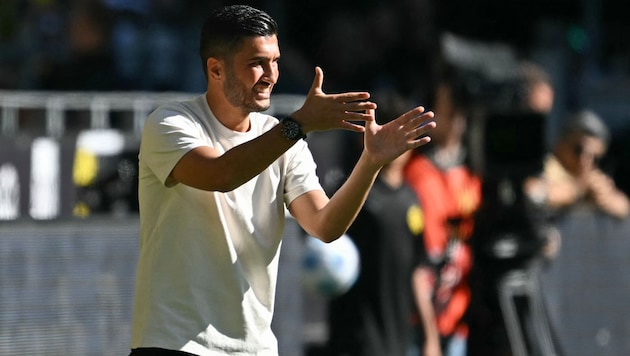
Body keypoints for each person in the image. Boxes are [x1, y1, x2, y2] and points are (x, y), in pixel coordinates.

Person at [129, 5, 436, 356]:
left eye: (275, 61)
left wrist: (371, 162)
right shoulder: (171, 123)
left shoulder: (283, 138)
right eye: (256, 62)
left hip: (255, 349)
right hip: (174, 346)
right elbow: (222, 174)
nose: (271, 75)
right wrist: (299, 125)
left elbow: (325, 225)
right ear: (215, 68)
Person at [325, 90, 426, 356]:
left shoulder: (411, 198)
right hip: (357, 340)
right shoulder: (353, 191)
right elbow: (321, 234)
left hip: (400, 339)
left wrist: (430, 334)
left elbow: (418, 268)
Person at [404, 65, 481, 356]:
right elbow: (417, 262)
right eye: (447, 106)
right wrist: (429, 336)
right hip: (419, 318)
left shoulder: (473, 174)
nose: (454, 115)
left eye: (458, 107)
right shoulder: (416, 170)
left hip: (459, 318)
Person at [526, 109, 629, 220]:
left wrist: (605, 198)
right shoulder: (544, 165)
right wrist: (578, 190)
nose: (585, 160)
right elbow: (531, 193)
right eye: (579, 150)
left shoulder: (592, 175)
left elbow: (623, 206)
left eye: (595, 158)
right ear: (561, 143)